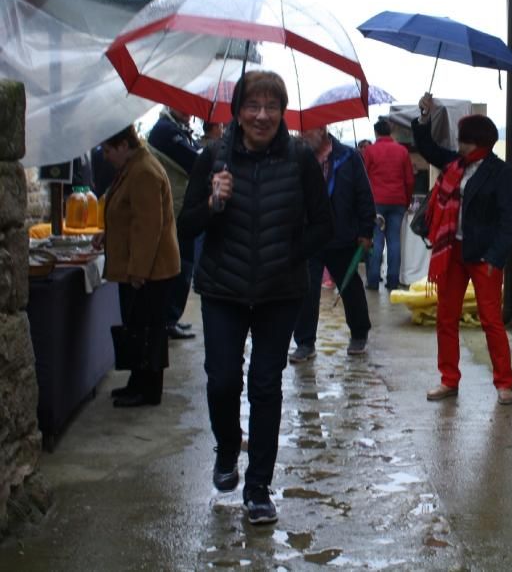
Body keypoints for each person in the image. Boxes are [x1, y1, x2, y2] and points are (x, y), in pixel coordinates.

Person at [177, 71, 334, 525]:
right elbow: (185, 226)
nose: (262, 115)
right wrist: (211, 203)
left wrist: (290, 252)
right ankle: (228, 448)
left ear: (283, 112)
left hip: (278, 291)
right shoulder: (213, 157)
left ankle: (258, 488)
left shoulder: (300, 159)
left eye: (271, 106)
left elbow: (324, 226)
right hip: (223, 288)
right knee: (223, 379)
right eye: (253, 105)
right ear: (238, 111)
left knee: (266, 385)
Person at [412, 93, 512, 405]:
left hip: (484, 256)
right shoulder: (455, 164)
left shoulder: (500, 173)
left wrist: (494, 258)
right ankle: (449, 379)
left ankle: (504, 383)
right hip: (453, 252)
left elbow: (508, 219)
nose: (460, 146)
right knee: (446, 318)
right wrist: (424, 117)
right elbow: (428, 148)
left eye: (466, 141)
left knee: (491, 320)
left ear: (480, 142)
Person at [92, 125, 180, 408]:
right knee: (138, 327)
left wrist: (139, 271)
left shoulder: (143, 172)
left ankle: (148, 390)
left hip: (150, 271)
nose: (105, 156)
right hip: (144, 268)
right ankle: (137, 382)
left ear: (122, 145)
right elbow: (129, 215)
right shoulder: (135, 166)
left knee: (147, 331)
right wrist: (110, 232)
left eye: (107, 150)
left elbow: (148, 227)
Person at [290, 128, 376, 363]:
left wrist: (366, 230)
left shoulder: (348, 157)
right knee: (306, 289)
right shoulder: (299, 158)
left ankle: (359, 333)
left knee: (350, 287)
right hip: (309, 235)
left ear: (323, 129)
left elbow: (363, 194)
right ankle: (305, 342)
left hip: (342, 234)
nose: (305, 135)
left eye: (309, 130)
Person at [147, 106, 200, 341]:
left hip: (179, 209)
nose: (189, 110)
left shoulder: (178, 130)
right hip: (172, 211)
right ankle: (168, 321)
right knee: (177, 268)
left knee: (183, 267)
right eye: (184, 105)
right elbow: (194, 161)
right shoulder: (165, 131)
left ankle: (171, 319)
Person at [362, 120, 413, 292]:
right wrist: (406, 201)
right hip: (398, 201)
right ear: (390, 132)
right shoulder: (402, 151)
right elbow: (409, 179)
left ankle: (373, 280)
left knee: (377, 241)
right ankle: (393, 281)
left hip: (376, 202)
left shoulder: (370, 151)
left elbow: (364, 178)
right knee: (394, 241)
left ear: (376, 132)